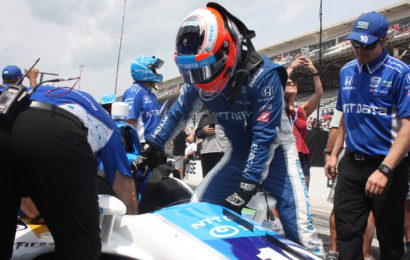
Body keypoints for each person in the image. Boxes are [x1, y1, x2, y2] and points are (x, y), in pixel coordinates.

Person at [130, 3, 324, 256]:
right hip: (238, 154)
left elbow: (265, 137)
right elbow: (178, 114)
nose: (200, 79)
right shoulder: (196, 81)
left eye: (204, 68)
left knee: (301, 233)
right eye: (192, 72)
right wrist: (151, 148)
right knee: (197, 211)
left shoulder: (264, 75)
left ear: (227, 49)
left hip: (278, 156)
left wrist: (248, 184)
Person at [0, 68, 137, 259]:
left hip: (6, 120)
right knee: (81, 248)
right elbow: (125, 188)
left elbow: (31, 208)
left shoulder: (37, 90)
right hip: (55, 134)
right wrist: (134, 224)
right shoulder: (110, 127)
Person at [325, 11, 410, 260]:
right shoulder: (346, 71)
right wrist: (333, 153)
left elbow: (408, 127)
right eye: (355, 44)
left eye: (368, 45)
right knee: (347, 233)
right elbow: (345, 117)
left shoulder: (400, 73)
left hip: (388, 165)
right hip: (352, 164)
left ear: (383, 41)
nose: (360, 51)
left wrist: (385, 170)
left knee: (390, 237)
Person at [324, 110, 375, 260]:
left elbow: (335, 130)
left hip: (351, 159)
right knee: (345, 210)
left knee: (340, 210)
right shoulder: (348, 92)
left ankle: (336, 250)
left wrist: (328, 153)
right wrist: (332, 155)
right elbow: (337, 128)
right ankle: (364, 253)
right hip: (347, 160)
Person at [286, 56, 323, 189]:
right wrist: (292, 67)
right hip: (283, 154)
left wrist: (313, 70)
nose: (291, 84)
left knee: (303, 192)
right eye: (288, 83)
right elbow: (277, 84)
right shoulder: (278, 107)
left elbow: (319, 94)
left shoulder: (302, 110)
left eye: (293, 83)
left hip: (301, 156)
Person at [122, 56, 163, 144]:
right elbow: (129, 123)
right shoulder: (133, 93)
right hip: (143, 145)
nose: (156, 73)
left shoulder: (150, 94)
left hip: (156, 145)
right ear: (144, 70)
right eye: (154, 70)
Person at [195, 110, 228, 177]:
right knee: (206, 180)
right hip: (205, 152)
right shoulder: (205, 115)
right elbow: (198, 133)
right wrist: (204, 131)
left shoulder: (226, 112)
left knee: (220, 179)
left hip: (222, 151)